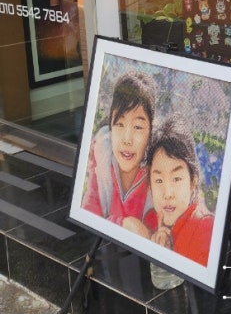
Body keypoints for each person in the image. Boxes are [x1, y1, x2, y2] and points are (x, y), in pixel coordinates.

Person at [124, 116, 214, 267]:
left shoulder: (204, 227)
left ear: (193, 181)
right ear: (150, 184)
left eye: (176, 179)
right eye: (159, 180)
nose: (168, 194)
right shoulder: (151, 220)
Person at [82, 70, 157, 225]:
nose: (127, 139)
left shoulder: (159, 168)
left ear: (150, 132)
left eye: (138, 127)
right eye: (119, 124)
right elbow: (89, 213)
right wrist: (124, 223)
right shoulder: (103, 152)